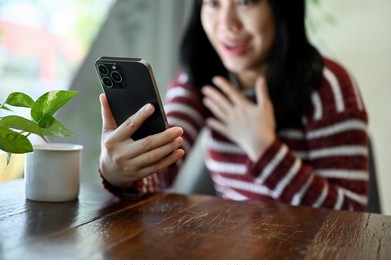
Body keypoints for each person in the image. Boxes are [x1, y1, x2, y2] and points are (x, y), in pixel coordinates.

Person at [99, 0, 369, 211]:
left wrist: (264, 148)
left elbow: (350, 214)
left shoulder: (328, 85)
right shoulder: (197, 79)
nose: (226, 24)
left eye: (245, 1)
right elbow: (157, 177)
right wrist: (118, 174)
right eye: (213, 3)